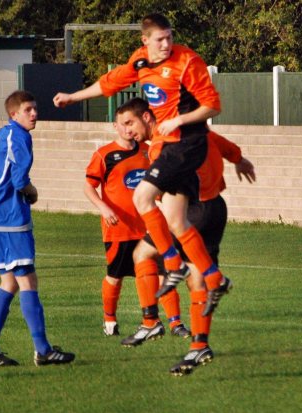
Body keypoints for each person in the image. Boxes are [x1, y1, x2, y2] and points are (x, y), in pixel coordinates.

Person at [53, 12, 230, 316]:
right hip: (171, 146)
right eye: (160, 39)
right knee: (174, 220)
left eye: (170, 37)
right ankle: (214, 278)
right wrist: (73, 97)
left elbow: (212, 105)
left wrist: (178, 119)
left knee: (142, 197)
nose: (166, 43)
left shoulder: (187, 62)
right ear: (145, 40)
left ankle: (175, 268)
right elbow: (109, 83)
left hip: (186, 143)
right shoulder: (140, 61)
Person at [115, 97, 255, 375]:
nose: (127, 132)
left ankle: (151, 322)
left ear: (148, 117)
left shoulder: (162, 147)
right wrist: (240, 160)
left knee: (142, 254)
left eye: (130, 123)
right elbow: (226, 146)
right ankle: (199, 344)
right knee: (197, 277)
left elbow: (166, 193)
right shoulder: (197, 135)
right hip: (216, 208)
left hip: (192, 211)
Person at [0, 90, 75, 367]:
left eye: (35, 108)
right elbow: (19, 180)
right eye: (28, 109)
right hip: (11, 218)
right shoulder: (19, 136)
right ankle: (43, 349)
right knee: (28, 281)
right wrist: (33, 191)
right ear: (13, 114)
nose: (34, 114)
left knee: (9, 282)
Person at [83, 119, 190, 344]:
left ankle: (175, 323)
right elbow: (88, 186)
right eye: (123, 123)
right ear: (115, 126)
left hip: (149, 228)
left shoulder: (148, 150)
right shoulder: (105, 155)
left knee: (163, 274)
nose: (127, 129)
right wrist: (103, 208)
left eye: (131, 123)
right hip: (118, 229)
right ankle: (109, 321)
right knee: (115, 277)